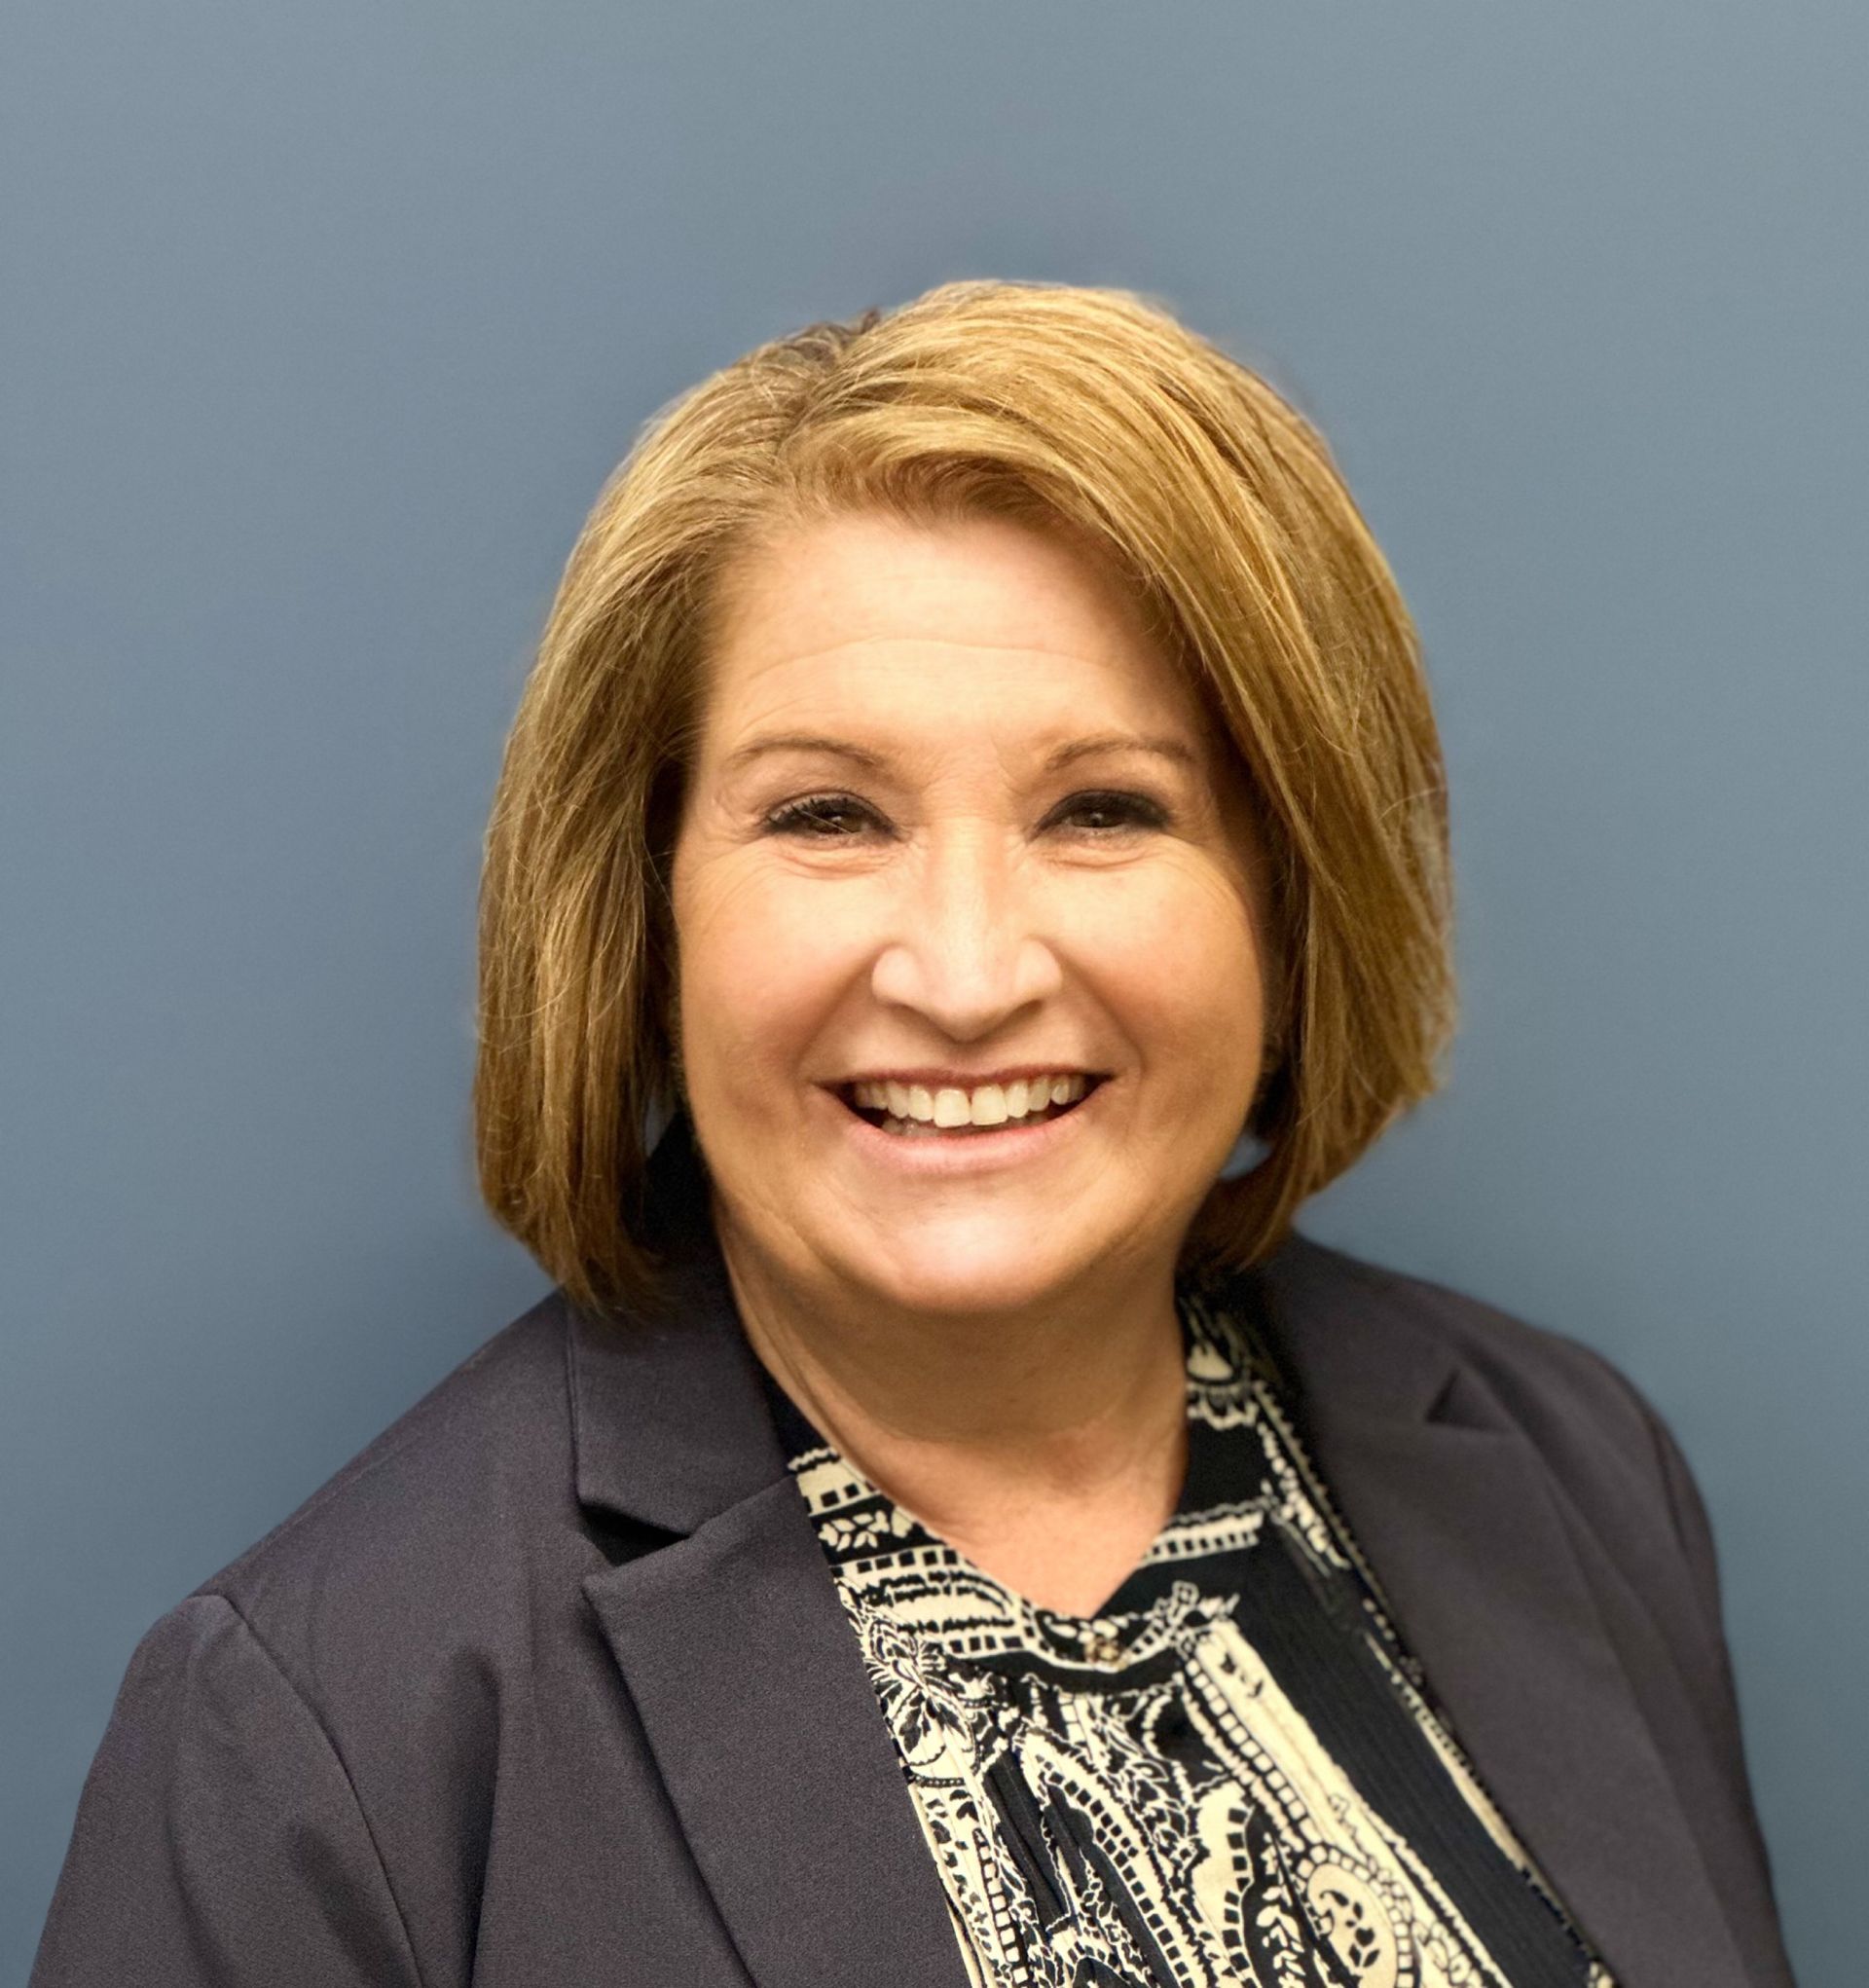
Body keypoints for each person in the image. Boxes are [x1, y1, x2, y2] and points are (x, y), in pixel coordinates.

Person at [31, 280, 1794, 1988]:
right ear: (641, 916)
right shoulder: (319, 1734)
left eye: (1106, 809)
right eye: (828, 814)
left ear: (1285, 895)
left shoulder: (1568, 1464)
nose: (963, 973)